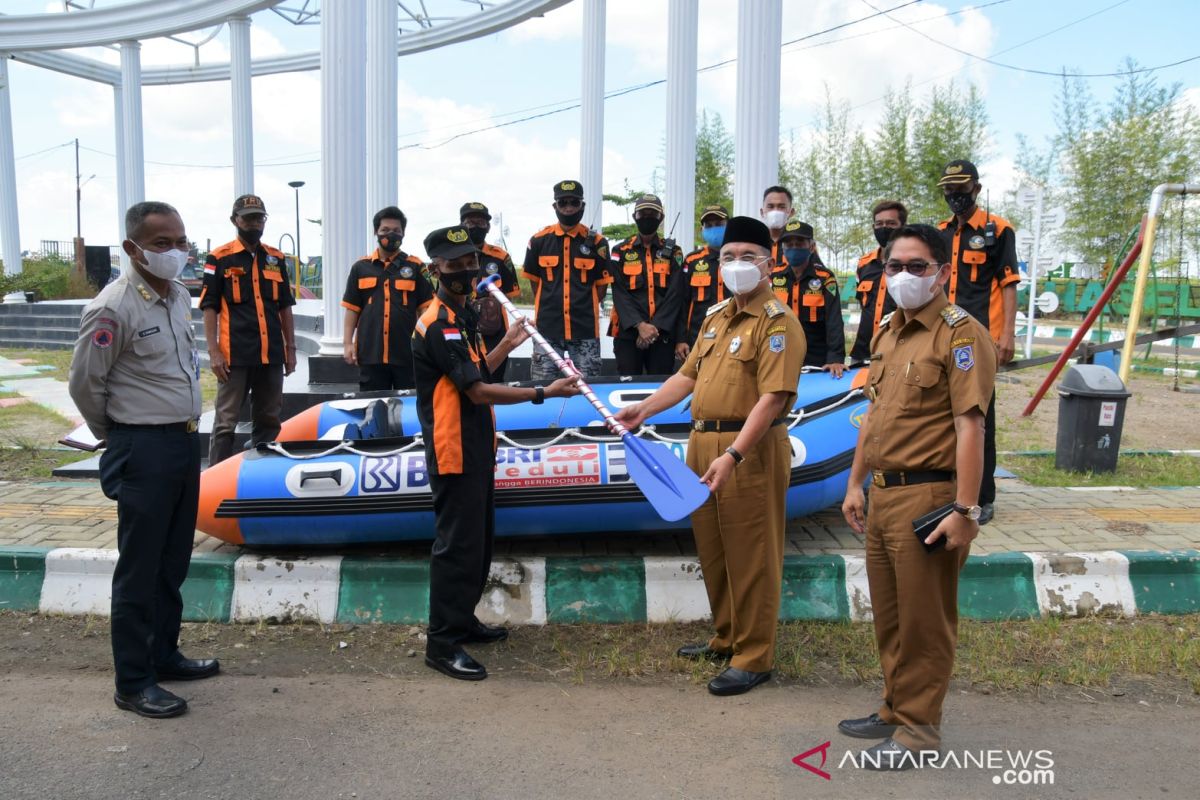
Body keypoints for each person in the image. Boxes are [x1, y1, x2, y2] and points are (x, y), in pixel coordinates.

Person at [615, 216, 804, 697]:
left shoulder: (778, 322)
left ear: (769, 264)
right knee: (714, 548)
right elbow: (688, 376)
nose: (736, 265)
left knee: (752, 553)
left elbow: (774, 398)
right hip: (702, 443)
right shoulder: (717, 316)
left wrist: (736, 454)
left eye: (748, 257)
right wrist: (644, 409)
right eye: (728, 257)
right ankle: (726, 636)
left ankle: (754, 654)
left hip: (749, 447)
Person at [839, 223, 996, 769]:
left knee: (925, 620)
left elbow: (970, 427)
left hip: (930, 496)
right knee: (891, 615)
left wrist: (966, 509)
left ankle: (919, 735)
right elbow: (873, 415)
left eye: (917, 266)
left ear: (942, 273)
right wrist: (855, 482)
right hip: (882, 493)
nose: (903, 276)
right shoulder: (887, 331)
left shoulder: (960, 334)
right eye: (894, 266)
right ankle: (894, 707)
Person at [68, 201, 218, 719]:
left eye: (181, 241)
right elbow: (86, 383)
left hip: (181, 443)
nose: (175, 251)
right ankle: (133, 681)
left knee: (172, 561)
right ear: (133, 248)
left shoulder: (176, 295)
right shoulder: (113, 306)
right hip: (143, 447)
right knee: (139, 569)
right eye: (161, 243)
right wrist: (121, 436)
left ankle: (163, 654)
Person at [414, 225, 582, 681]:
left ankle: (462, 620)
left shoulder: (460, 316)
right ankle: (441, 641)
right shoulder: (438, 322)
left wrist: (507, 343)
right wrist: (542, 391)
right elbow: (476, 391)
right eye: (455, 264)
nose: (466, 270)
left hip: (476, 444)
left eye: (470, 261)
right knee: (457, 546)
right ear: (435, 269)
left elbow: (473, 369)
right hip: (454, 447)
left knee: (479, 540)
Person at [936, 160, 1019, 525]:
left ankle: (983, 496)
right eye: (949, 189)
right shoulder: (939, 234)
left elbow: (1009, 284)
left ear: (977, 189)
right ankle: (949, 489)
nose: (956, 195)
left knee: (979, 416)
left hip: (981, 337)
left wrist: (1007, 335)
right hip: (942, 335)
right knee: (941, 415)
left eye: (962, 188)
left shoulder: (998, 231)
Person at [201, 194, 297, 465]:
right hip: (235, 355)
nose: (255, 223)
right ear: (235, 220)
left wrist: (290, 349)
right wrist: (214, 351)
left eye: (259, 217)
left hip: (271, 354)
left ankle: (262, 473)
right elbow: (209, 306)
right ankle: (216, 477)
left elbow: (285, 307)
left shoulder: (275, 259)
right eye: (248, 218)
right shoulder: (218, 258)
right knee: (226, 421)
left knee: (269, 418)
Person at [521, 180, 611, 380]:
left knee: (589, 387)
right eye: (563, 203)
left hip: (585, 329)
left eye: (574, 202)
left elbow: (601, 289)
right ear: (555, 206)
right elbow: (536, 285)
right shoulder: (538, 241)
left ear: (583, 206)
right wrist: (553, 304)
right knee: (543, 389)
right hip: (547, 330)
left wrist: (581, 306)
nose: (569, 208)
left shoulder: (598, 243)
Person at [341, 206, 432, 390]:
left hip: (407, 352)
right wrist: (347, 343)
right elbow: (352, 309)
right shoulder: (360, 267)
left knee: (409, 406)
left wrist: (427, 345)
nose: (391, 235)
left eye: (396, 231)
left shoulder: (416, 267)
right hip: (370, 352)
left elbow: (426, 309)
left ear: (403, 233)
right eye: (385, 230)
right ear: (376, 232)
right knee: (373, 406)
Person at [608, 194, 686, 375]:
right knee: (627, 386)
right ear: (635, 216)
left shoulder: (674, 251)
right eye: (643, 214)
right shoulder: (619, 251)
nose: (647, 218)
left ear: (661, 218)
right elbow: (619, 293)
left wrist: (653, 329)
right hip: (628, 334)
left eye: (653, 214)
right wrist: (640, 326)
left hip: (662, 334)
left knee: (660, 390)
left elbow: (676, 294)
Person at [773, 219, 845, 377]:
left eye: (799, 244)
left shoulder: (825, 278)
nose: (794, 248)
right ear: (782, 249)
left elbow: (834, 319)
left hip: (816, 359)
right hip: (779, 354)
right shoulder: (774, 277)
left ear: (811, 247)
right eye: (789, 245)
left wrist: (836, 357)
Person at [460, 201, 522, 382]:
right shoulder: (452, 256)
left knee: (495, 381)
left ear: (487, 226)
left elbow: (510, 295)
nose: (476, 226)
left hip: (494, 333)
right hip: (462, 331)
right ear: (461, 225)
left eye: (481, 222)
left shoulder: (501, 257)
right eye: (470, 222)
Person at [850, 200, 906, 364]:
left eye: (891, 223)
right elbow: (863, 304)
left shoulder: (912, 265)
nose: (884, 228)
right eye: (879, 223)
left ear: (902, 226)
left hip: (897, 351)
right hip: (862, 352)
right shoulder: (864, 264)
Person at [675, 204, 728, 362]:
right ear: (702, 230)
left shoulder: (740, 258)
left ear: (728, 225)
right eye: (709, 226)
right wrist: (680, 339)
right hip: (698, 339)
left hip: (735, 337)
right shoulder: (692, 261)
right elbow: (682, 302)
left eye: (719, 225)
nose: (714, 229)